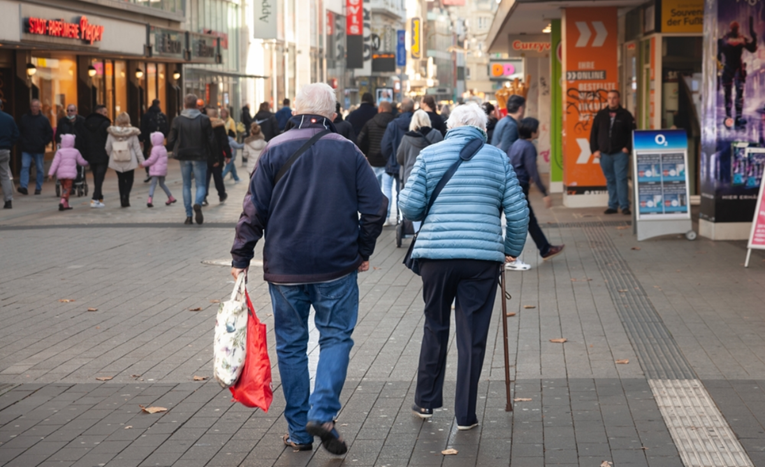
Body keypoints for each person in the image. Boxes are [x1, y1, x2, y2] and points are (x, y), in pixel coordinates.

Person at [230, 83, 387, 456]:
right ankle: (323, 413)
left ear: (295, 110)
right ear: (332, 115)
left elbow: (254, 209)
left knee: (292, 345)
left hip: (285, 267)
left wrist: (241, 258)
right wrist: (362, 249)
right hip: (337, 264)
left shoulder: (273, 149)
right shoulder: (347, 150)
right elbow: (376, 207)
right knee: (335, 338)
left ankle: (299, 432)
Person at [398, 102, 529, 431]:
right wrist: (510, 250)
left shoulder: (430, 155)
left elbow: (410, 207)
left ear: (449, 127)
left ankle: (426, 401)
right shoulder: (497, 158)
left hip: (436, 258)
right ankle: (466, 415)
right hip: (481, 259)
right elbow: (518, 212)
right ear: (483, 130)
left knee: (435, 325)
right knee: (472, 336)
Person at [507, 117, 565, 271]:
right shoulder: (529, 146)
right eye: (537, 129)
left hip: (513, 186)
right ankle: (539, 250)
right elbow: (533, 170)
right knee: (526, 220)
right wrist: (544, 192)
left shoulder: (515, 145)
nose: (539, 131)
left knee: (528, 219)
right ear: (532, 132)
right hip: (520, 187)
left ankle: (545, 248)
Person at [167, 94, 215, 225]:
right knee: (201, 184)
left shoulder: (177, 120)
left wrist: (171, 148)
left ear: (184, 105)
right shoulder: (204, 119)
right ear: (196, 105)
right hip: (200, 155)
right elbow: (211, 139)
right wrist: (214, 156)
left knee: (186, 184)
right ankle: (198, 203)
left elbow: (171, 139)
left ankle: (188, 216)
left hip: (184, 155)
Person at [590, 90, 635, 215]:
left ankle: (624, 206)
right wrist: (595, 150)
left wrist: (627, 147)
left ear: (619, 99)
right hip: (604, 154)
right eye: (609, 98)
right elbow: (594, 133)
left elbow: (632, 133)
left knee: (621, 179)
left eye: (614, 98)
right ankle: (613, 206)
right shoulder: (601, 115)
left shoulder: (625, 115)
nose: (612, 100)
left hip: (620, 153)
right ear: (607, 99)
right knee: (610, 179)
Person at [380, 98, 415, 224]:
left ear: (401, 109)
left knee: (388, 189)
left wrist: (390, 158)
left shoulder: (393, 124)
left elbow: (385, 145)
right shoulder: (415, 123)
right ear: (412, 108)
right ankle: (404, 219)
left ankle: (387, 217)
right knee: (403, 191)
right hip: (411, 163)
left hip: (393, 163)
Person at [718, 19, 757, 128]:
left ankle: (734, 117)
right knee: (732, 94)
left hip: (733, 68)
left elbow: (752, 48)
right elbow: (752, 48)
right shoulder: (738, 39)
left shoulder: (725, 40)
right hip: (733, 68)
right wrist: (754, 37)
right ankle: (731, 117)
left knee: (734, 94)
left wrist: (754, 38)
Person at [106, 112, 143, 208]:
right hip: (129, 159)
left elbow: (107, 147)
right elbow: (137, 148)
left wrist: (112, 155)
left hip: (116, 160)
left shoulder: (111, 132)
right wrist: (142, 161)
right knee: (130, 179)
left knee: (121, 179)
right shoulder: (132, 132)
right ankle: (126, 196)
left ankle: (122, 199)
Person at [17, 99, 53, 195]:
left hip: (39, 148)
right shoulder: (24, 118)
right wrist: (22, 141)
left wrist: (43, 142)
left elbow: (49, 133)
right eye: (32, 106)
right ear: (30, 107)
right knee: (25, 166)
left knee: (40, 168)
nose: (34, 108)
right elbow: (18, 131)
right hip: (26, 148)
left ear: (39, 107)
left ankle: (38, 187)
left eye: (36, 106)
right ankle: (23, 187)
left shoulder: (44, 120)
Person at [356, 101, 395, 185]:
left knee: (374, 187)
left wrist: (364, 153)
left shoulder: (370, 123)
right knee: (388, 188)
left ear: (380, 109)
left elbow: (360, 139)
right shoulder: (394, 123)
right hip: (389, 160)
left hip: (373, 159)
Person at [48, 134, 88, 211]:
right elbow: (81, 162)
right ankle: (62, 201)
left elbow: (55, 163)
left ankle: (66, 204)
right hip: (70, 175)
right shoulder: (75, 151)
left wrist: (51, 173)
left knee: (64, 188)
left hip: (61, 174)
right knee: (67, 189)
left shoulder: (59, 151)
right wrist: (88, 163)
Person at [81, 105, 111, 208]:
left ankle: (99, 196)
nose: (106, 115)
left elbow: (83, 139)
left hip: (90, 153)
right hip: (102, 153)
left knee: (96, 176)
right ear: (99, 112)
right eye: (105, 113)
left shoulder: (86, 123)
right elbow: (109, 140)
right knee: (100, 176)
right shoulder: (105, 124)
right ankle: (94, 198)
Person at [141, 131, 176, 208]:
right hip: (162, 170)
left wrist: (144, 164)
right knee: (162, 184)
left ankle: (150, 199)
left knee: (153, 184)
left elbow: (152, 160)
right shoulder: (163, 148)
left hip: (155, 170)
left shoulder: (155, 149)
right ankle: (170, 197)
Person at [204, 107, 230, 205]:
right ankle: (221, 194)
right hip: (217, 156)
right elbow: (224, 141)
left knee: (205, 178)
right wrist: (228, 154)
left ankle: (203, 197)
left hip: (205, 156)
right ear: (216, 115)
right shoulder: (220, 126)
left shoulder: (203, 125)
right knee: (217, 177)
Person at [140, 99, 169, 183]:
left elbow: (142, 127)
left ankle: (149, 171)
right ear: (158, 105)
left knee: (148, 154)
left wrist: (142, 138)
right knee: (159, 155)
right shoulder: (162, 115)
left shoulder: (146, 115)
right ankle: (159, 172)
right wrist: (164, 136)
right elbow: (167, 127)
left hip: (148, 138)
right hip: (159, 139)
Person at [0, 100, 19, 209]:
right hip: (5, 150)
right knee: (4, 176)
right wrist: (9, 145)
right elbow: (16, 134)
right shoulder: (9, 118)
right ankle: (8, 201)